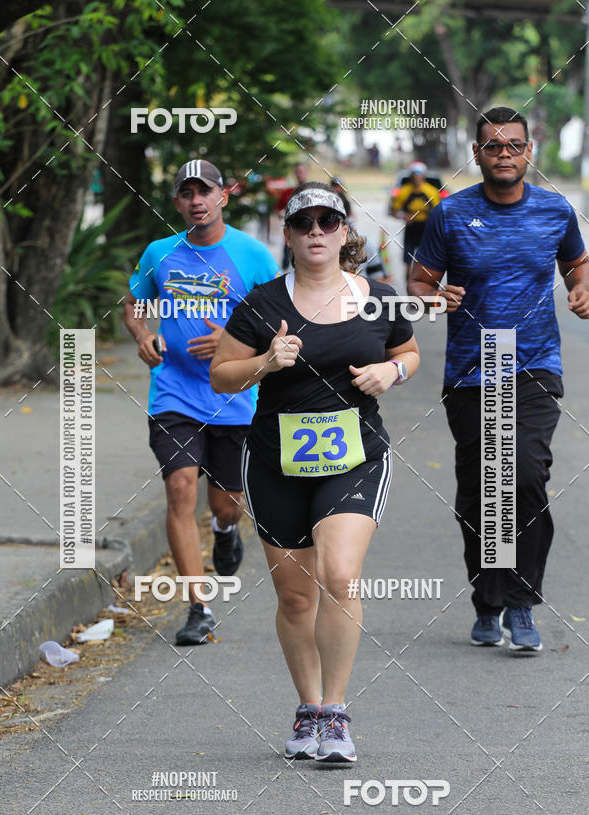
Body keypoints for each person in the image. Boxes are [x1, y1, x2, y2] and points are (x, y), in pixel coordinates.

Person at [210, 182, 420, 761]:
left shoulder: (378, 296)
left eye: (329, 223)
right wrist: (264, 362)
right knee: (297, 597)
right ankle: (308, 712)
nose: (317, 234)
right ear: (288, 234)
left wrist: (392, 375)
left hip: (355, 455)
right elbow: (221, 376)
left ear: (346, 232)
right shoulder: (261, 304)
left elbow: (408, 353)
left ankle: (337, 712)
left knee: (340, 574)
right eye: (305, 225)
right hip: (276, 459)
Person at [408, 107, 589, 652]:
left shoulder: (557, 210)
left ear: (529, 150)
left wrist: (582, 287)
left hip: (534, 362)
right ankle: (487, 600)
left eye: (513, 145)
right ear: (478, 153)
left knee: (526, 474)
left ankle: (521, 603)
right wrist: (431, 298)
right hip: (471, 367)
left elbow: (578, 264)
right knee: (484, 489)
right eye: (493, 146)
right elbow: (419, 282)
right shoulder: (450, 213)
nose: (504, 154)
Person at [124, 158, 279, 646]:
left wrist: (237, 345)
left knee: (227, 502)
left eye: (204, 192)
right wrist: (142, 334)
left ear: (222, 196)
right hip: (174, 392)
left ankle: (226, 529)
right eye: (186, 193)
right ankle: (198, 606)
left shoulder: (252, 255)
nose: (196, 201)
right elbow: (135, 302)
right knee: (179, 487)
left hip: (235, 396)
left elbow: (281, 324)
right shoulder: (159, 253)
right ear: (177, 202)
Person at [392, 161, 440, 280]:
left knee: (427, 262)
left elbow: (439, 212)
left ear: (424, 175)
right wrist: (403, 216)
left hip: (426, 229)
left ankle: (425, 286)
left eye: (419, 174)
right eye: (414, 174)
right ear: (411, 175)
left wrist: (432, 219)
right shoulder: (404, 191)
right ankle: (408, 285)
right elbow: (394, 211)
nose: (416, 177)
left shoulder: (431, 191)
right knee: (408, 261)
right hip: (411, 228)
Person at [276, 162, 309, 270]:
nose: (300, 174)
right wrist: (282, 213)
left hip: (308, 236)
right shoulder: (287, 192)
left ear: (307, 173)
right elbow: (278, 210)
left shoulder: (313, 192)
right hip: (290, 236)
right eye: (297, 172)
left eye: (302, 171)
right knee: (286, 266)